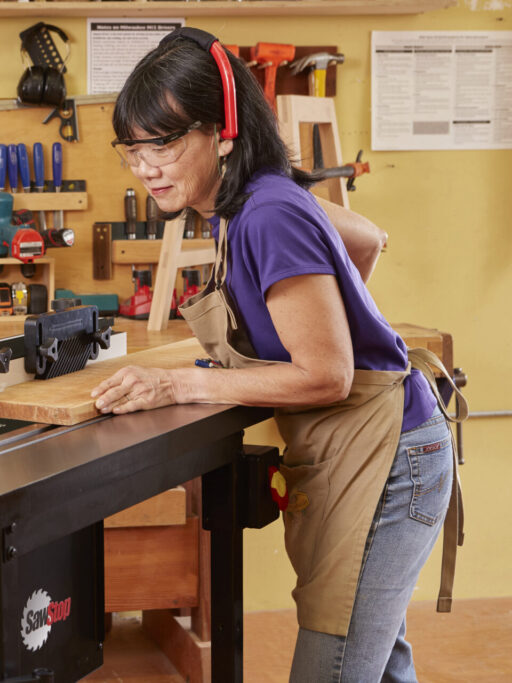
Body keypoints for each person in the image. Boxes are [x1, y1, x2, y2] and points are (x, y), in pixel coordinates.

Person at [91, 27, 465, 682]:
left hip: (389, 463)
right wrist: (326, 318)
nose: (146, 165)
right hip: (382, 449)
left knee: (337, 664)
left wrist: (176, 385)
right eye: (134, 148)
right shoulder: (256, 199)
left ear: (223, 131)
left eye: (165, 142)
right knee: (378, 664)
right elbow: (368, 237)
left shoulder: (265, 214)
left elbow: (328, 374)